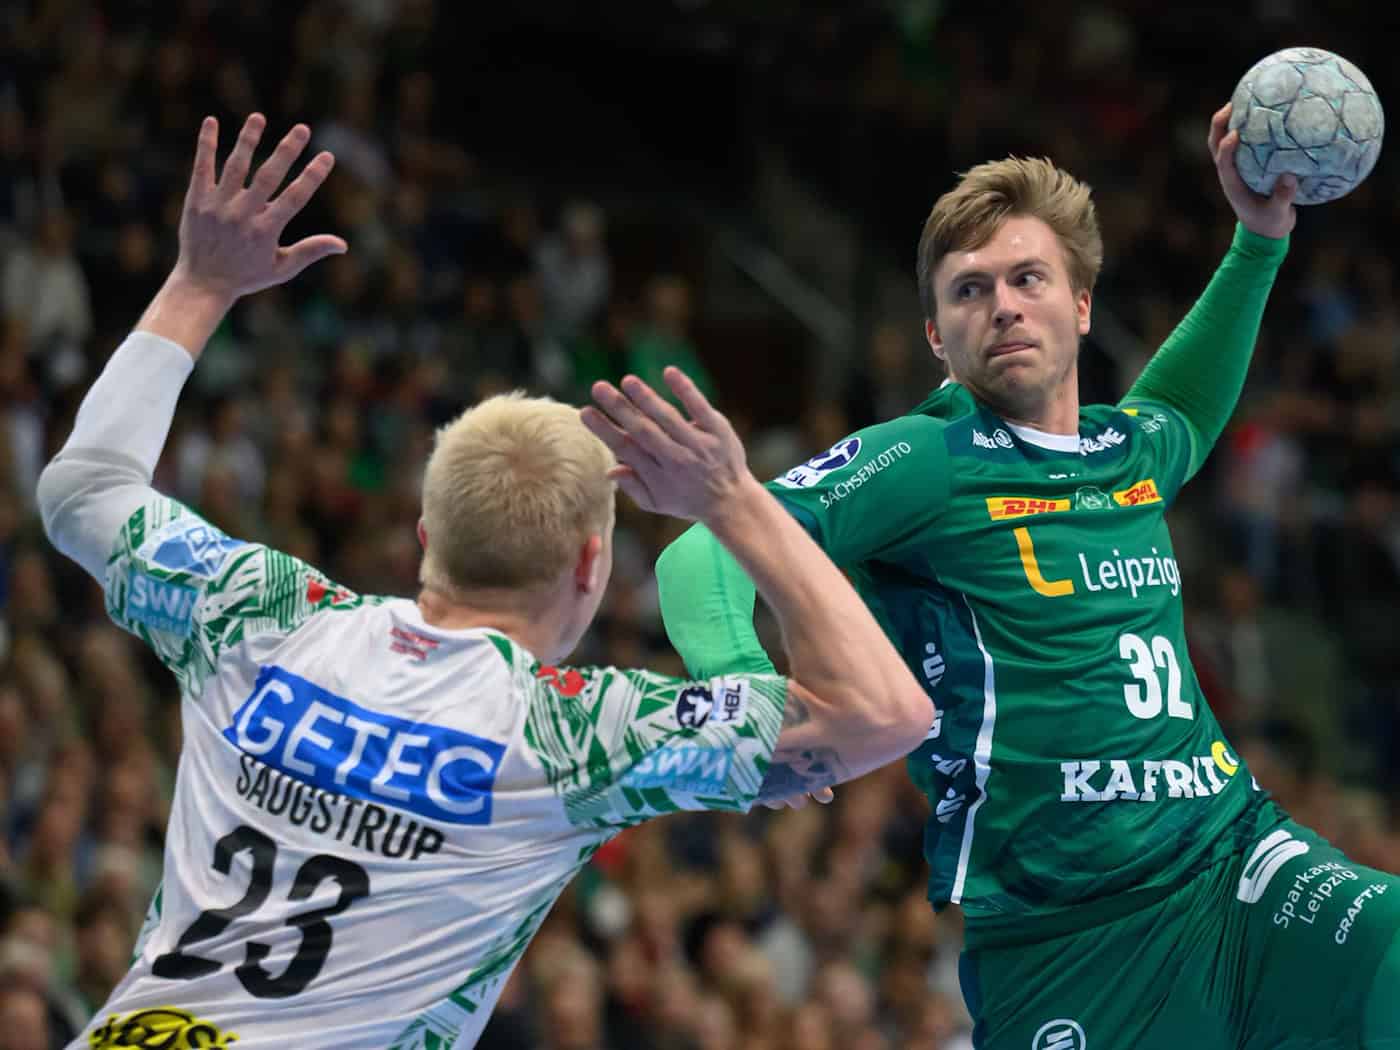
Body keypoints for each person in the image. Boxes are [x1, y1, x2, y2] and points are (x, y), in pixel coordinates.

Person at [36, 113, 932, 1049]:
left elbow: (83, 487)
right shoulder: (569, 735)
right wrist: (734, 499)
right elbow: (885, 714)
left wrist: (198, 283)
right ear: (592, 566)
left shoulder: (258, 615)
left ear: (427, 533)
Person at [655, 104, 1400, 1047]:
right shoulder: (928, 456)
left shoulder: (1121, 451)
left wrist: (1259, 240)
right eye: (969, 290)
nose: (1002, 303)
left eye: (1027, 278)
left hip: (1235, 863)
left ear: (1081, 306)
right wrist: (744, 690)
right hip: (1070, 939)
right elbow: (703, 545)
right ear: (935, 335)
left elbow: (1180, 404)